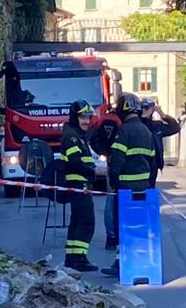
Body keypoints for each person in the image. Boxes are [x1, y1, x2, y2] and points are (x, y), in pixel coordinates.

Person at [103, 93, 155, 277]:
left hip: (125, 188)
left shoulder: (124, 131)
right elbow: (153, 159)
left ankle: (120, 263)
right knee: (139, 224)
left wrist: (113, 180)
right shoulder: (145, 131)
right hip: (143, 187)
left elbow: (117, 159)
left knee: (121, 226)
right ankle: (138, 260)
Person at [57, 99, 98, 272]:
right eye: (83, 118)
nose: (87, 122)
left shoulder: (75, 134)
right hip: (78, 184)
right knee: (86, 222)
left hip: (79, 184)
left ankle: (72, 258)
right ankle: (79, 259)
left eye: (88, 118)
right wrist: (95, 172)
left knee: (77, 221)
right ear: (75, 117)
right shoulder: (72, 136)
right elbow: (75, 163)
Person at [90, 108, 122, 249]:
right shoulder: (113, 121)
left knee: (112, 200)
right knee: (112, 201)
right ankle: (113, 236)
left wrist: (105, 153)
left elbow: (94, 140)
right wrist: (108, 154)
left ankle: (112, 237)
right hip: (117, 167)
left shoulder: (109, 119)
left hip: (114, 164)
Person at [141, 98, 181, 189]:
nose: (144, 110)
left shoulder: (156, 126)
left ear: (152, 110)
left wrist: (162, 114)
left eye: (147, 108)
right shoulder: (135, 123)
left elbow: (175, 128)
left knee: (150, 189)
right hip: (138, 163)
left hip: (153, 164)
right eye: (142, 108)